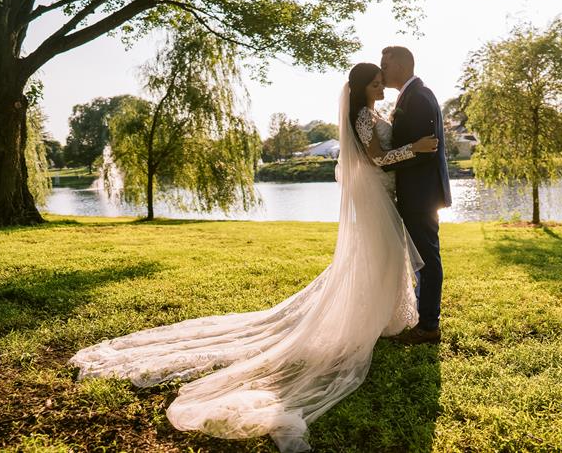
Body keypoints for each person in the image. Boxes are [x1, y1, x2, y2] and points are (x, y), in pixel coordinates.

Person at [69, 62, 437, 452]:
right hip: (377, 197)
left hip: (384, 196)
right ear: (362, 87)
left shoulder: (373, 111)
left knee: (380, 259)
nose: (382, 87)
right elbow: (379, 158)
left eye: (383, 82)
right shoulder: (363, 116)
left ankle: (381, 316)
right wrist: (414, 148)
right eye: (376, 83)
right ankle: (366, 320)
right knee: (375, 258)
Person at [379, 46, 452, 345]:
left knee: (427, 260)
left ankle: (429, 326)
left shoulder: (419, 97)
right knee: (422, 259)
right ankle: (426, 320)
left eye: (385, 64)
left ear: (399, 65)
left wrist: (385, 161)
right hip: (417, 192)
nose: (381, 70)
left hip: (421, 193)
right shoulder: (412, 95)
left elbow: (426, 150)